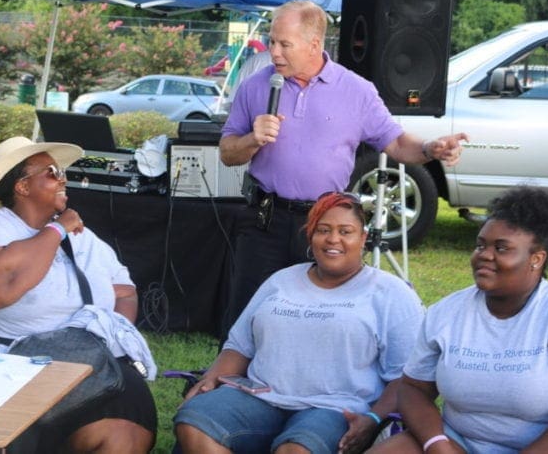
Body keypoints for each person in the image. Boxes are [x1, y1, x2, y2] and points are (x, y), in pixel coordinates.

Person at [219, 0, 468, 331]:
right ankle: (232, 380)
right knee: (247, 316)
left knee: (319, 318)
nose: (274, 52)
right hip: (265, 219)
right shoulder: (257, 85)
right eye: (272, 41)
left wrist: (429, 148)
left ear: (314, 44)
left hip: (325, 224)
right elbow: (227, 152)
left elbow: (394, 143)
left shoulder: (357, 91)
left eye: (284, 44)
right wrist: (252, 138)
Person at [0, 136, 157, 454]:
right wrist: (56, 231)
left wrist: (109, 333)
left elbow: (124, 291)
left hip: (82, 360)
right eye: (52, 171)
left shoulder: (84, 238)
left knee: (127, 422)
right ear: (21, 187)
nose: (63, 177)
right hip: (3, 359)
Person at [369, 185, 548, 454]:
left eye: (502, 248)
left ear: (536, 259)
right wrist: (436, 444)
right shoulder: (447, 312)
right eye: (480, 245)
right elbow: (413, 389)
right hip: (459, 443)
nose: (484, 255)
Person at [174, 192, 425, 454]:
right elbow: (239, 345)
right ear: (311, 236)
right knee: (194, 421)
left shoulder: (390, 293)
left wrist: (372, 420)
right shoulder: (281, 280)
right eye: (323, 230)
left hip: (336, 407)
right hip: (261, 396)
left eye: (346, 231)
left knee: (296, 450)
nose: (333, 239)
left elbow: (406, 378)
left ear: (363, 238)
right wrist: (209, 381)